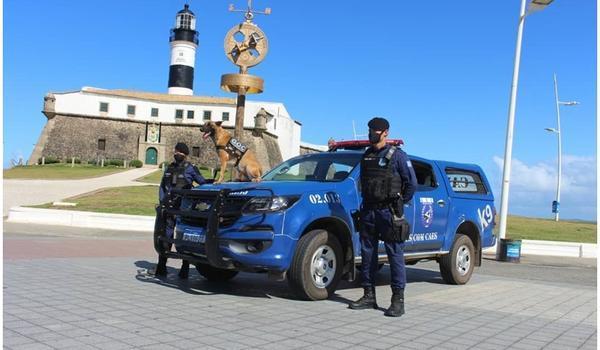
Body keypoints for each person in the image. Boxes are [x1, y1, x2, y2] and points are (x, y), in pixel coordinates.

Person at [349, 117, 417, 317]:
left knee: (395, 255)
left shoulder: (398, 156)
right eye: (369, 129)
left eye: (375, 130)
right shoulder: (367, 155)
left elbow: (411, 184)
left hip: (389, 213)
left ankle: (398, 301)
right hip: (369, 211)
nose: (371, 133)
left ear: (385, 132)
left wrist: (399, 203)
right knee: (368, 255)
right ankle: (369, 295)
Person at [154, 142, 206, 278]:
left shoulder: (191, 168)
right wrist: (162, 202)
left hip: (184, 210)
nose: (176, 154)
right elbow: (162, 187)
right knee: (166, 236)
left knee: (184, 237)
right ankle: (161, 265)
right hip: (169, 209)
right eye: (175, 151)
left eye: (179, 152)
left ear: (185, 154)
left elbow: (202, 183)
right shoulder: (169, 168)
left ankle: (185, 267)